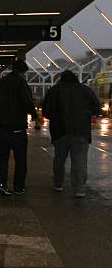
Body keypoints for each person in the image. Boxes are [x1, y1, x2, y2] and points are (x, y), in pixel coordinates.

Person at [42, 70, 100, 198]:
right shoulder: (86, 90)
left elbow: (46, 111)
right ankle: (79, 190)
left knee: (59, 159)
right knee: (79, 161)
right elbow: (97, 108)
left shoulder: (54, 90)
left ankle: (58, 184)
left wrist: (56, 117)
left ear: (61, 79)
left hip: (60, 131)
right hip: (81, 131)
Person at [0, 59, 39, 195]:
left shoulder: (1, 82)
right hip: (17, 128)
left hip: (2, 128)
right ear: (23, 71)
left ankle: (1, 184)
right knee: (20, 159)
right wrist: (34, 115)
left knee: (2, 158)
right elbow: (26, 101)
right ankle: (18, 186)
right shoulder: (20, 82)